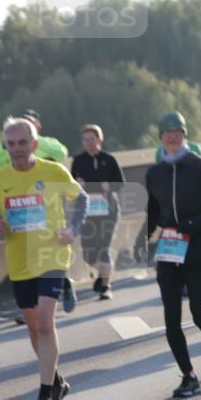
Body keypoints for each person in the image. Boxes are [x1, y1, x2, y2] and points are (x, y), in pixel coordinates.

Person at [0, 117, 87, 400]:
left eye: (24, 143)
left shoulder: (53, 171)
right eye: (12, 144)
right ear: (5, 146)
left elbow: (82, 198)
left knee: (46, 324)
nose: (18, 149)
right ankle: (57, 381)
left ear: (35, 144)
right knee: (34, 327)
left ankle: (44, 397)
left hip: (51, 257)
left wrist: (73, 229)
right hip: (20, 261)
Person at [145, 111, 201, 397]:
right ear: (161, 137)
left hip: (197, 248)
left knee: (200, 315)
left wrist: (196, 224)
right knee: (171, 318)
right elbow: (152, 212)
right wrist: (142, 237)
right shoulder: (154, 172)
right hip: (169, 251)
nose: (172, 135)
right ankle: (189, 376)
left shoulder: (200, 167)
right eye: (167, 131)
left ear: (185, 135)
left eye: (178, 130)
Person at [70, 124, 125, 300]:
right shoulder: (78, 161)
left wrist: (110, 186)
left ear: (100, 140)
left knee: (104, 248)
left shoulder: (109, 159)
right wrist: (77, 184)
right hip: (87, 212)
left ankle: (106, 286)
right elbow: (71, 186)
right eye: (85, 140)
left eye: (92, 139)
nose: (89, 143)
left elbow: (121, 183)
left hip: (108, 210)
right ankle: (104, 274)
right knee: (88, 254)